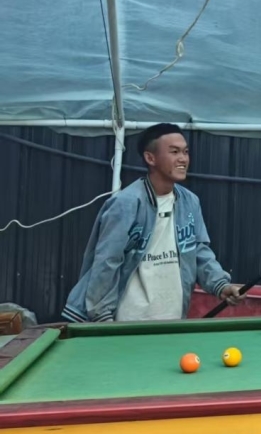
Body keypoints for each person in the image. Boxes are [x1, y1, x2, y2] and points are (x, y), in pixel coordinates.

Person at [63, 123, 243, 323]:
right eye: (174, 152)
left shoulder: (190, 202)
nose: (183, 159)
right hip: (127, 320)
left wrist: (221, 284)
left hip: (174, 317)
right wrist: (102, 315)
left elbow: (199, 251)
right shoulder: (125, 204)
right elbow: (107, 261)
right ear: (150, 158)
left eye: (185, 152)